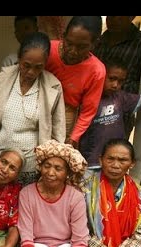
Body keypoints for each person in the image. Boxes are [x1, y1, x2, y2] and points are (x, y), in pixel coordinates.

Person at [0, 32, 66, 186]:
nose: (31, 72)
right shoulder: (3, 78)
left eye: (38, 67)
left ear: (45, 63)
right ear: (19, 59)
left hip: (30, 166)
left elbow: (58, 129)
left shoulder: (53, 86)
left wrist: (51, 161)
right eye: (26, 65)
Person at [45, 16, 105, 148]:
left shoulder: (96, 71)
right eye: (69, 43)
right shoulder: (47, 50)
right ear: (64, 36)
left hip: (66, 117)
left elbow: (88, 111)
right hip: (36, 107)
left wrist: (73, 138)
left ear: (95, 43)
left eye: (81, 47)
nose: (73, 51)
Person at [79, 58, 141, 169]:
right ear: (100, 75)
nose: (115, 85)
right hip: (91, 161)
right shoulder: (85, 98)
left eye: (120, 81)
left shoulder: (120, 97)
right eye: (112, 79)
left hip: (115, 162)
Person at [93, 16, 141, 137]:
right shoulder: (99, 41)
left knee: (115, 152)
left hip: (120, 115)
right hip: (92, 110)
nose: (114, 19)